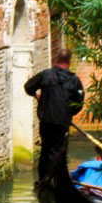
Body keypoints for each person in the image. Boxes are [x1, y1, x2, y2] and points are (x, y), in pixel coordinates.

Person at [23, 48, 85, 179]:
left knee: (45, 150)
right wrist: (68, 113)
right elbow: (79, 103)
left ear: (57, 60)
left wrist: (36, 96)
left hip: (46, 122)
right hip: (62, 123)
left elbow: (28, 86)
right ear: (69, 61)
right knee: (57, 152)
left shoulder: (45, 75)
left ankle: (43, 179)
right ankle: (53, 180)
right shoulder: (74, 81)